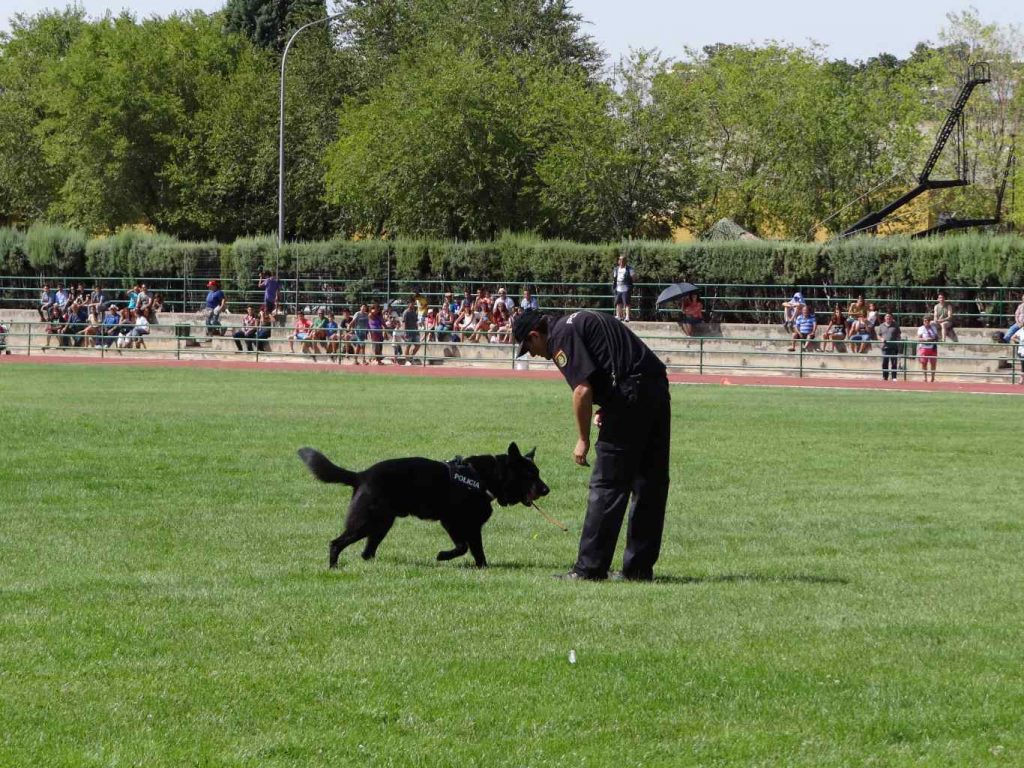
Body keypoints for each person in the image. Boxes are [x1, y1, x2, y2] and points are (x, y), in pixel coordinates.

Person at [513, 309, 670, 582]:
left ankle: (589, 569)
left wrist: (583, 439)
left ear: (535, 335)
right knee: (650, 484)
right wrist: (611, 404)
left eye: (529, 347)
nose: (534, 354)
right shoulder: (578, 320)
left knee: (607, 485)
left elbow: (582, 390)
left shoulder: (561, 335)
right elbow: (613, 362)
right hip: (655, 389)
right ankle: (639, 570)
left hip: (630, 394)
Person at [877, 312, 902, 381]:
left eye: (889, 317)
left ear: (892, 318)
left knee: (894, 362)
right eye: (887, 316)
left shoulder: (896, 325)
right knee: (885, 362)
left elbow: (898, 335)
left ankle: (894, 377)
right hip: (884, 347)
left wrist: (899, 344)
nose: (888, 318)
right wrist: (881, 339)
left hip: (893, 347)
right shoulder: (881, 326)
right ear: (885, 318)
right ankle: (885, 377)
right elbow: (878, 335)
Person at [612, 255, 635, 322]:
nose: (621, 262)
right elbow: (614, 278)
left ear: (625, 261)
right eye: (620, 260)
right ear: (618, 261)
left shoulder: (629, 269)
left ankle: (627, 317)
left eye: (623, 260)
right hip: (618, 288)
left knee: (627, 303)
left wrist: (629, 281)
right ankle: (619, 316)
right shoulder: (616, 269)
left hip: (626, 288)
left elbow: (634, 277)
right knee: (618, 303)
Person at [917, 315, 939, 382]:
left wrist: (931, 339)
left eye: (928, 321)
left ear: (930, 321)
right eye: (925, 320)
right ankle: (925, 377)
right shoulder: (921, 328)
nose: (926, 322)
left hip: (932, 347)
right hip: (924, 347)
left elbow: (937, 337)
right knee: (924, 363)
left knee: (933, 363)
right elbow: (918, 338)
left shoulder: (933, 328)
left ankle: (932, 377)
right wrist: (925, 339)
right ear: (923, 321)